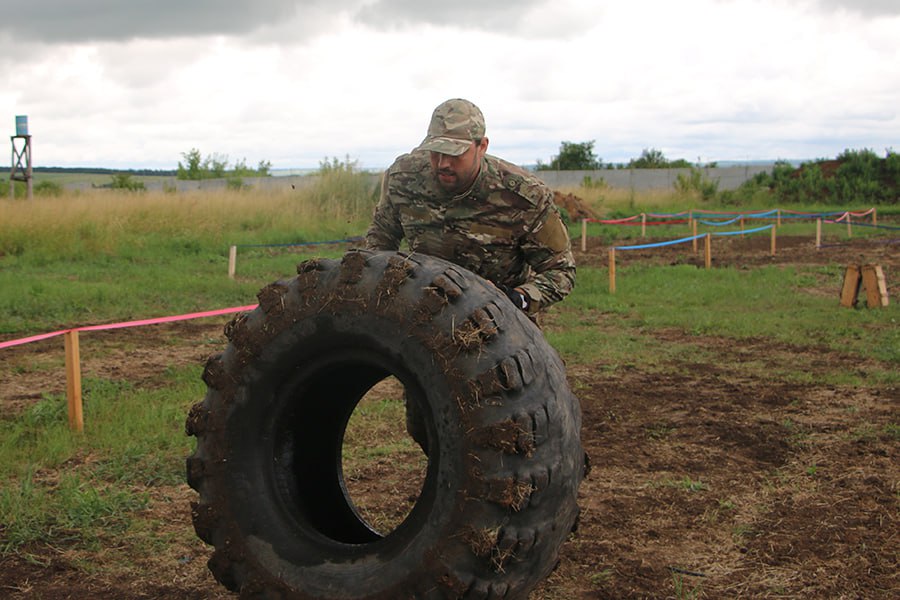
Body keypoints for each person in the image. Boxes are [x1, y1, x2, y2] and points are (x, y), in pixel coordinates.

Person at [365, 98, 575, 317]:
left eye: (455, 153)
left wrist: (514, 298)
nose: (443, 163)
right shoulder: (404, 178)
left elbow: (561, 271)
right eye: (436, 152)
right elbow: (381, 238)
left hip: (496, 322)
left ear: (482, 146)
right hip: (422, 314)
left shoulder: (523, 197)